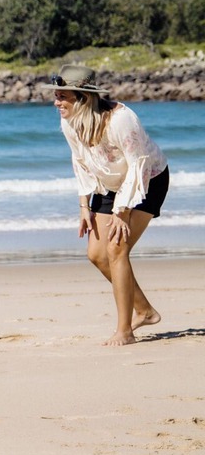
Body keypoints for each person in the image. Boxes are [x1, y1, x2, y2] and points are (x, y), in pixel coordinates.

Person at [43, 65, 170, 347]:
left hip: (148, 179)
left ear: (83, 98)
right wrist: (84, 207)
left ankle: (125, 330)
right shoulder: (69, 121)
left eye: (62, 96)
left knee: (116, 248)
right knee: (96, 255)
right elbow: (81, 161)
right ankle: (146, 311)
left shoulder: (121, 119)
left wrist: (121, 212)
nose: (56, 102)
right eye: (56, 95)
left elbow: (138, 166)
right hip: (110, 182)